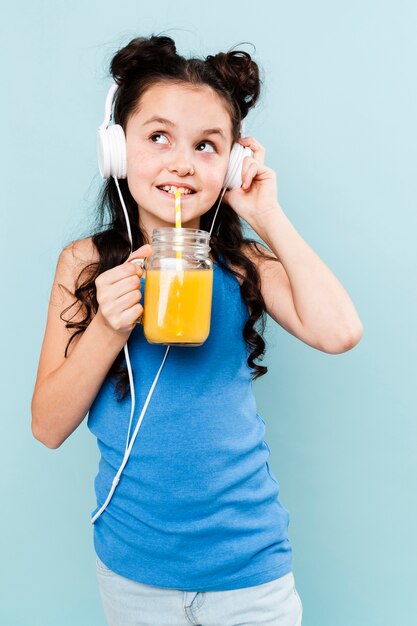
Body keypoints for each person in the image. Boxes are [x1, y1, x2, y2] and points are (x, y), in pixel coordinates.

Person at [31, 34, 363, 626]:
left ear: (232, 164)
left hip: (249, 564)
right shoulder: (84, 264)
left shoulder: (243, 264)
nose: (182, 161)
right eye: (157, 137)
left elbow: (340, 332)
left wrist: (266, 215)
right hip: (134, 566)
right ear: (116, 150)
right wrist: (108, 326)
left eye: (208, 146)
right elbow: (48, 426)